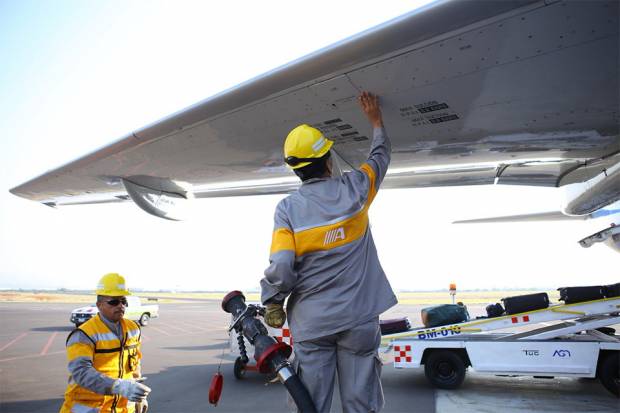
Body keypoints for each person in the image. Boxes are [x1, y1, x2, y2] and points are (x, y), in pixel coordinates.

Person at [260, 91, 397, 412]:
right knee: (361, 404)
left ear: (295, 169)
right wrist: (376, 121)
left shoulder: (287, 210)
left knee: (311, 405)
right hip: (359, 319)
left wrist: (273, 302)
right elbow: (381, 156)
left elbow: (281, 266)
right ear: (327, 159)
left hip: (313, 324)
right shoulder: (356, 189)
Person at [60, 273, 151, 413]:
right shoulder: (84, 334)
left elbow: (134, 366)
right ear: (99, 305)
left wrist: (138, 397)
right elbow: (81, 373)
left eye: (123, 301)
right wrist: (119, 386)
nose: (120, 306)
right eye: (114, 302)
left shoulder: (133, 329)